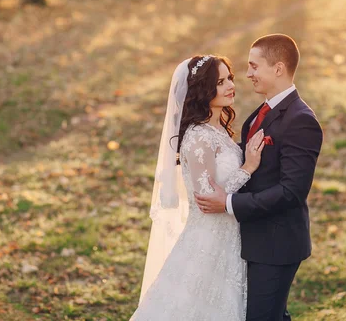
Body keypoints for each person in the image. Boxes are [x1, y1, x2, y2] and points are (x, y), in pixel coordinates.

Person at [195, 34, 323, 321]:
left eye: (254, 66)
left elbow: (292, 192)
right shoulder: (260, 113)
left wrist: (228, 203)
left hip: (276, 244)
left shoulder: (300, 120)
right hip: (253, 238)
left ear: (277, 68)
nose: (248, 74)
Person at [131, 55, 265, 320]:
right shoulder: (197, 136)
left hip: (228, 238)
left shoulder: (219, 131)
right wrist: (248, 168)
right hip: (208, 241)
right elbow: (207, 199)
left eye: (230, 78)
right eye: (219, 82)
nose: (230, 86)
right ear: (203, 90)